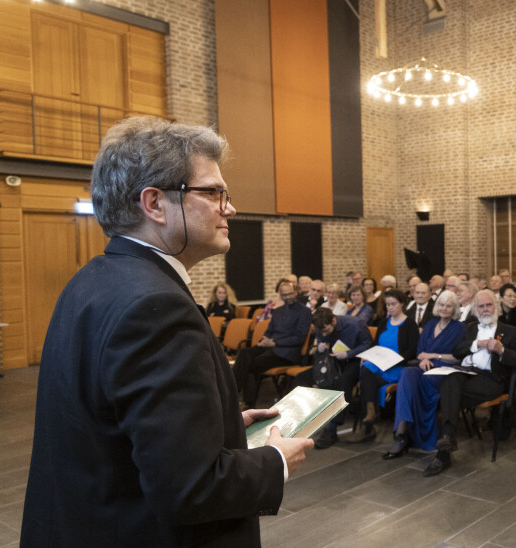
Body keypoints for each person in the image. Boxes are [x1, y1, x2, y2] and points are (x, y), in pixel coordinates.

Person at [21, 117, 313, 547]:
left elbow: (120, 431)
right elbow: (190, 489)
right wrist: (274, 461)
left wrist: (222, 427)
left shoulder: (93, 280)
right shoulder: (154, 306)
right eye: (213, 192)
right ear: (155, 204)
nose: (229, 207)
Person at [424, 289, 516, 475]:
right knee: (450, 378)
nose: (485, 309)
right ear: (475, 310)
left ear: (496, 307)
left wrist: (502, 350)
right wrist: (476, 344)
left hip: (491, 380)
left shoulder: (511, 332)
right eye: (481, 306)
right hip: (467, 374)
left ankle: (444, 451)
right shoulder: (470, 328)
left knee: (446, 394)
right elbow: (457, 351)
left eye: (489, 305)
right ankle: (447, 441)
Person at [381, 291, 465, 463]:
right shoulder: (430, 324)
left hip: (445, 371)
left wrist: (434, 355)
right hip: (424, 367)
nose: (444, 308)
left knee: (416, 380)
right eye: (441, 304)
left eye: (449, 305)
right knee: (407, 373)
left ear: (455, 308)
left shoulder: (459, 328)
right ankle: (401, 433)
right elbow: (419, 352)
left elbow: (458, 357)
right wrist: (423, 358)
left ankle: (403, 435)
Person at [346, 289, 419, 442]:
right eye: (387, 305)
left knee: (368, 381)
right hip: (380, 362)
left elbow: (411, 352)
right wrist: (367, 355)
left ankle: (368, 426)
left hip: (398, 366)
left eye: (393, 304)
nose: (390, 308)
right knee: (365, 368)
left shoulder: (410, 324)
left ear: (402, 304)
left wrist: (392, 360)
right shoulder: (384, 322)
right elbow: (375, 344)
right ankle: (371, 413)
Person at [233, 278, 313, 407]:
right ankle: (233, 391)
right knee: (245, 353)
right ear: (280, 295)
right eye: (285, 295)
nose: (288, 297)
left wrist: (274, 342)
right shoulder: (278, 311)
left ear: (296, 292)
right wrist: (264, 340)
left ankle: (247, 403)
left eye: (290, 293)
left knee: (253, 363)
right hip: (271, 347)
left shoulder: (304, 311)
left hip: (287, 352)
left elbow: (299, 338)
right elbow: (269, 331)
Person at [305, 308, 373, 449]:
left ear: (334, 320)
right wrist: (321, 347)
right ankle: (307, 422)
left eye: (326, 330)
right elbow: (320, 342)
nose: (323, 333)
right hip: (334, 358)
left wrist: (348, 354)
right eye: (321, 331)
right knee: (305, 377)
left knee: (343, 380)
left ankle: (332, 428)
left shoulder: (355, 324)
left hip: (355, 359)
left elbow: (368, 344)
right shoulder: (320, 326)